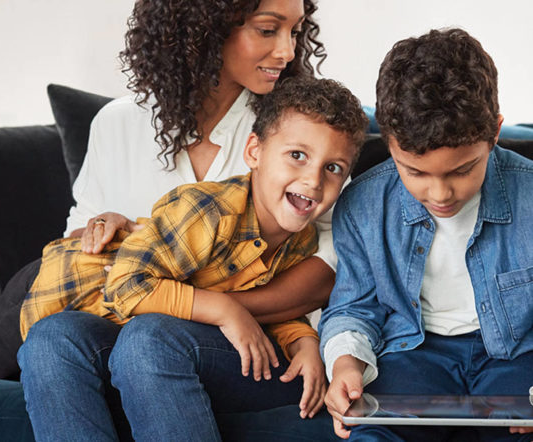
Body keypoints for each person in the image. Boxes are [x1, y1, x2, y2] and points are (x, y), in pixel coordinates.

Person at [0, 0, 337, 381]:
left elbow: (325, 267)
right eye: (269, 30)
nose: (287, 51)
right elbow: (78, 242)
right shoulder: (119, 123)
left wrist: (212, 306)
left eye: (295, 30)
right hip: (77, 292)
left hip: (155, 328)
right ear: (203, 28)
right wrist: (106, 223)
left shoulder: (293, 135)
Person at [19, 76, 368, 442]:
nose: (313, 180)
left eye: (333, 168)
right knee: (50, 337)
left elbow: (276, 304)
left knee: (148, 338)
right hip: (101, 309)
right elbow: (125, 284)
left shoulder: (302, 240)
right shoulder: (207, 211)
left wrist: (304, 342)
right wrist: (226, 310)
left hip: (171, 343)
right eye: (297, 156)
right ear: (254, 152)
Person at [319, 28, 533, 441]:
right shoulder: (363, 205)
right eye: (414, 172)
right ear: (388, 140)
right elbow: (354, 307)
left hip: (518, 358)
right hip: (413, 354)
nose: (439, 194)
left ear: (494, 135)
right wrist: (345, 363)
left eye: (461, 170)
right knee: (372, 434)